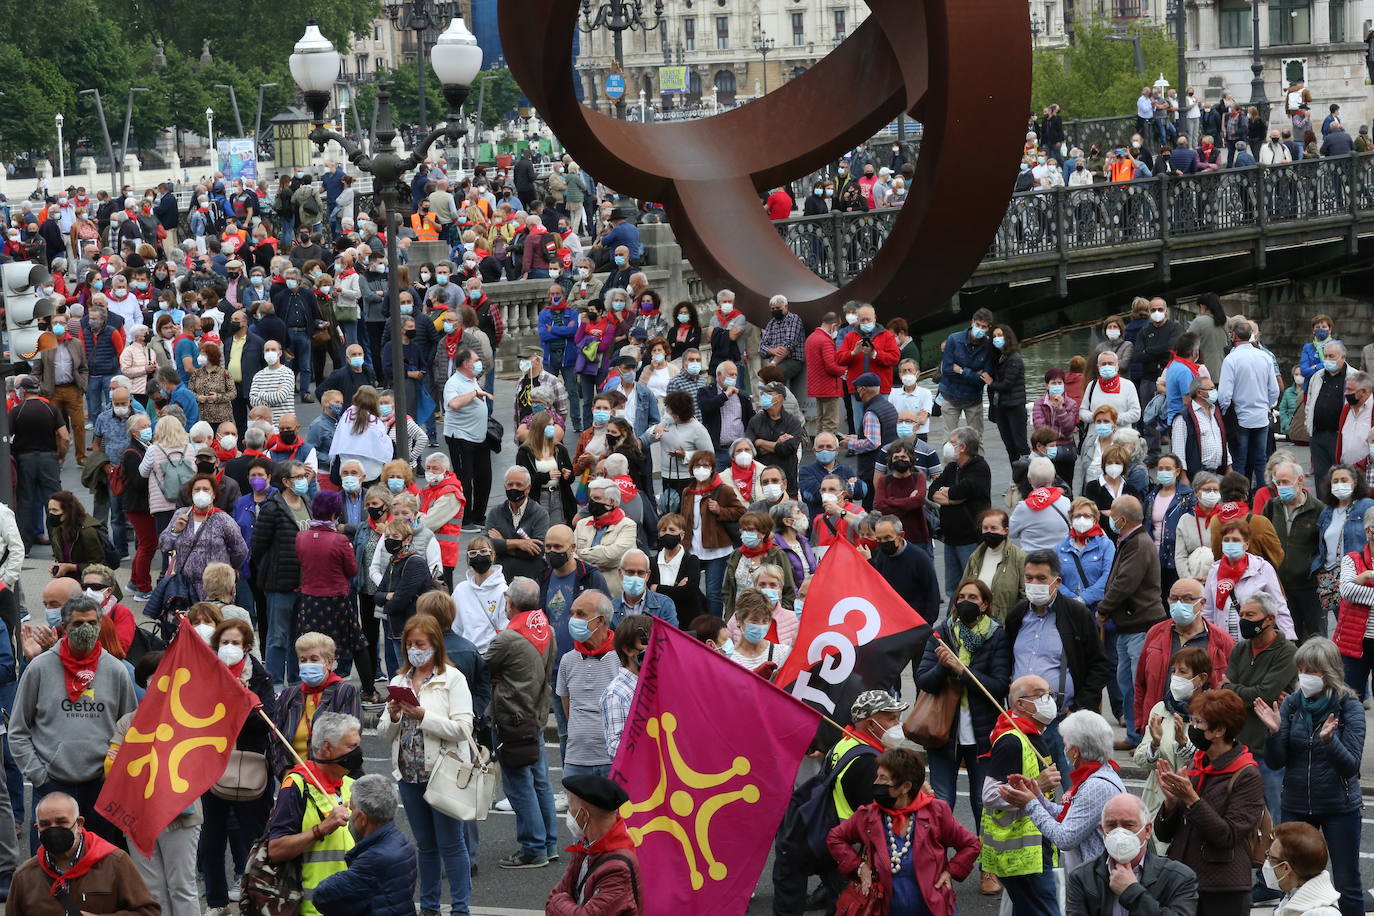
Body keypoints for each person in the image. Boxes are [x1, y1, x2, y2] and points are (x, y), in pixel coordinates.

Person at [10, 594, 135, 849]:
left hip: (100, 787)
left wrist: (114, 775)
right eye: (78, 623)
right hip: (52, 785)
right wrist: (39, 775)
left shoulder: (116, 671)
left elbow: (131, 731)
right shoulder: (40, 668)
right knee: (49, 859)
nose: (86, 629)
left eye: (92, 623)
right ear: (64, 627)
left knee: (99, 861)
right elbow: (18, 730)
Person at [1253, 637, 1364, 916]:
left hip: (1339, 807)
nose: (1304, 676)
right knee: (1290, 880)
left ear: (1329, 672)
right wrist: (1274, 733)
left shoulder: (1349, 706)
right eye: (1301, 669)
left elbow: (1350, 766)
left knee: (1347, 884)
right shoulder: (1292, 704)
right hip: (1297, 804)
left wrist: (1330, 741)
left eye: (1311, 670)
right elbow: (1276, 761)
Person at [378, 613, 474, 916]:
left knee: (452, 844)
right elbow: (383, 734)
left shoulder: (452, 679)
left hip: (443, 773)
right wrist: (394, 716)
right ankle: (429, 907)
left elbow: (463, 729)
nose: (413, 650)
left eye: (420, 644)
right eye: (409, 644)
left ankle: (460, 909)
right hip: (409, 774)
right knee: (426, 845)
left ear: (435, 643)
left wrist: (423, 716)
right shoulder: (399, 681)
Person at [827, 747, 981, 916]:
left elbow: (971, 844)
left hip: (932, 909)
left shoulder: (936, 812)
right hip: (885, 909)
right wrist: (859, 867)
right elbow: (835, 838)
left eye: (883, 778)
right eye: (877, 776)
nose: (876, 783)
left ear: (905, 786)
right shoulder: (868, 815)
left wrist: (951, 871)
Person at [1154, 688, 1266, 916]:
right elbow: (1164, 835)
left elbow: (1227, 836)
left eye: (1199, 722)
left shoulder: (1247, 775)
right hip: (1183, 882)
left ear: (1220, 730)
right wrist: (1171, 804)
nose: (1192, 728)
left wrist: (1192, 799)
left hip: (1223, 889)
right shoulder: (1197, 764)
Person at [1006, 550, 1113, 779]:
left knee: (1072, 785)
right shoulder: (1017, 616)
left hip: (1061, 722)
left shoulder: (1076, 614)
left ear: (1057, 582)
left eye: (1041, 578)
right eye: (1029, 578)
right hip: (1020, 720)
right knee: (1025, 786)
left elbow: (1101, 665)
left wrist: (1079, 707)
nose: (1034, 584)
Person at [916, 579, 1010, 837]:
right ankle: (936, 856)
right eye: (961, 597)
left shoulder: (996, 636)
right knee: (942, 800)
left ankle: (985, 859)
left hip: (983, 735)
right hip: (943, 733)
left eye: (973, 598)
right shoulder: (941, 634)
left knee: (983, 802)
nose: (965, 601)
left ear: (985, 604)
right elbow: (923, 680)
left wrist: (962, 671)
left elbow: (999, 686)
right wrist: (943, 665)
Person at [484, 578, 559, 868]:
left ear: (510, 602)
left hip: (511, 718)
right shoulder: (546, 629)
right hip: (536, 714)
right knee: (540, 782)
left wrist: (498, 676)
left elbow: (483, 669)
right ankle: (548, 844)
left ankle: (533, 847)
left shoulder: (507, 639)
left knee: (518, 785)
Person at [978, 674, 1063, 911]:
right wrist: (1039, 785)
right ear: (1020, 704)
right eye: (1041, 695)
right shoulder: (1011, 742)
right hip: (1022, 856)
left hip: (1035, 850)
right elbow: (990, 795)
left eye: (1049, 694)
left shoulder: (1033, 735)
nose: (1049, 700)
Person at [265, 711, 362, 916]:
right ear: (327, 748)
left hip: (351, 904)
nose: (358, 752)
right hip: (314, 908)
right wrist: (322, 829)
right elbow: (276, 850)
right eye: (351, 746)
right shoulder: (296, 786)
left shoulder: (351, 785)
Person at [8, 792, 158, 916]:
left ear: (79, 824)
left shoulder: (115, 862)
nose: (53, 829)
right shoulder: (24, 877)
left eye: (61, 822)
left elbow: (149, 912)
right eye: (45, 824)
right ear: (37, 828)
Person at [1222, 593, 1298, 822]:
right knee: (1239, 813)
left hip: (1268, 751)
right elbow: (1225, 696)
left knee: (1274, 815)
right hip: (1238, 746)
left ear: (1270, 619)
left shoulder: (1287, 653)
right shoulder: (1240, 649)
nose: (1244, 619)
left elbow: (1264, 694)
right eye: (1242, 614)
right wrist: (1238, 691)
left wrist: (1232, 688)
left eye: (1250, 615)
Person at [1064, 792, 1199, 916]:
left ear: (1147, 830)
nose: (1119, 833)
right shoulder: (1082, 877)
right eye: (1111, 825)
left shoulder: (1179, 877)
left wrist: (1132, 892)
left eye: (1128, 825)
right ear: (1102, 830)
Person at [1133, 578, 1234, 733]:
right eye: (1174, 598)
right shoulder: (1156, 633)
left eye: (1187, 599)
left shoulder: (1221, 640)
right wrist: (1141, 724)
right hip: (1159, 723)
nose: (1179, 604)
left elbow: (1231, 688)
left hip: (1203, 727)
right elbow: (1140, 683)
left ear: (1202, 603)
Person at [311, 774, 418, 916]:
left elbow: (322, 897)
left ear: (362, 819)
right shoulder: (402, 842)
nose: (349, 816)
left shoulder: (373, 860)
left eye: (351, 809)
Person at [269, 633, 363, 778]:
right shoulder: (289, 695)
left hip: (336, 780)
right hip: (295, 780)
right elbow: (276, 741)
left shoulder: (345, 692)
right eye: (303, 660)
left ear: (329, 662)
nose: (307, 664)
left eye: (314, 659)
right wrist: (287, 773)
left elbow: (349, 741)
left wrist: (320, 779)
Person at [547, 773, 643, 913]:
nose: (569, 813)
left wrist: (556, 902)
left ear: (584, 815)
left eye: (570, 807)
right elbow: (558, 892)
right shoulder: (586, 846)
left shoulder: (618, 869)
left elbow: (555, 899)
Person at [251, 461, 310, 685]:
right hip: (279, 583)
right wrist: (273, 567)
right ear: (285, 481)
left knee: (299, 637)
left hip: (305, 582)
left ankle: (295, 681)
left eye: (304, 476)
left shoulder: (307, 502)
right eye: (298, 477)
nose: (303, 481)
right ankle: (274, 683)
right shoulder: (273, 508)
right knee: (277, 637)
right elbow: (258, 546)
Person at [556, 591, 621, 779]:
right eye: (573, 613)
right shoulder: (567, 660)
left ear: (600, 621)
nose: (573, 619)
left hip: (612, 760)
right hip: (576, 761)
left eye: (581, 614)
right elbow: (567, 707)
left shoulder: (622, 659)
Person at [1204, 519, 1295, 642]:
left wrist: (1289, 638)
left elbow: (1279, 606)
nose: (1230, 544)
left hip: (1254, 641)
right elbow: (1207, 612)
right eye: (1226, 540)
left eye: (1235, 540)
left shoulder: (1262, 568)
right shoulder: (1214, 571)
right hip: (1223, 643)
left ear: (1246, 545)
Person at [681, 450, 746, 618]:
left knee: (713, 592)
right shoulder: (687, 492)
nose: (701, 469)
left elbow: (741, 512)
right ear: (691, 468)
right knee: (689, 588)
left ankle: (715, 626)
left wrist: (720, 510)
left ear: (712, 468)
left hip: (717, 550)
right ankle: (702, 618)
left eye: (706, 465)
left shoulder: (723, 490)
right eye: (698, 465)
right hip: (692, 549)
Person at [931, 427, 993, 600]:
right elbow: (932, 491)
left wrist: (950, 494)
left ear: (963, 447)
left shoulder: (979, 467)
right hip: (950, 538)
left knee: (972, 584)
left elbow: (961, 491)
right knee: (952, 588)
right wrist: (952, 499)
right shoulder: (952, 467)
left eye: (952, 443)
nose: (947, 446)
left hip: (970, 538)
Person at [1218, 320, 1280, 487]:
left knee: (1239, 461)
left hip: (1240, 417)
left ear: (1233, 335)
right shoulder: (1265, 357)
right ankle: (1262, 496)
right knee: (1261, 460)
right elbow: (1274, 389)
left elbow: (1224, 394)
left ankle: (1240, 496)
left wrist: (1224, 412)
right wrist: (1266, 406)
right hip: (1261, 416)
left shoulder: (1231, 359)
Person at [443, 347, 494, 531]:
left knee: (484, 477)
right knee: (465, 479)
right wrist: (474, 394)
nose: (479, 363)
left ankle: (479, 516)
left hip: (479, 437)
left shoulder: (472, 380)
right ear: (466, 364)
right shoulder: (453, 383)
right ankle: (465, 520)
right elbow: (454, 403)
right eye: (476, 360)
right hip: (460, 437)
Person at [1262, 822, 1345, 916]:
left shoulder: (1321, 914)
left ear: (1286, 867)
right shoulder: (1293, 898)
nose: (1267, 862)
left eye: (1270, 857)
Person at [1335, 504, 1374, 699]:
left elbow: (1354, 590)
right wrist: (1366, 575)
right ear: (1368, 531)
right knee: (1350, 698)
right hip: (1355, 641)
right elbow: (1347, 591)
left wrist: (1365, 577)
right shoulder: (1351, 559)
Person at [938, 308, 994, 434]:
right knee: (949, 438)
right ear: (972, 322)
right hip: (950, 395)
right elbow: (946, 370)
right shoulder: (953, 339)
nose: (979, 329)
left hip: (974, 398)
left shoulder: (988, 345)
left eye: (983, 327)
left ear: (988, 328)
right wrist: (974, 374)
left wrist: (961, 371)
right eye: (977, 325)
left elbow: (984, 379)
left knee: (976, 437)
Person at [1171, 375, 1228, 478]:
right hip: (1197, 475)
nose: (1214, 392)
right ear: (1199, 393)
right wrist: (1183, 477)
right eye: (1211, 389)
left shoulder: (1215, 412)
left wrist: (1229, 468)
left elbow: (1223, 442)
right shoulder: (1184, 417)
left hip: (1217, 473)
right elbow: (1178, 452)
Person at [1010, 458, 1072, 552]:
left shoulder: (1024, 507)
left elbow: (1011, 532)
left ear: (1029, 480)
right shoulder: (1066, 502)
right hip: (1060, 555)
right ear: (1053, 478)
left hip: (1033, 557)